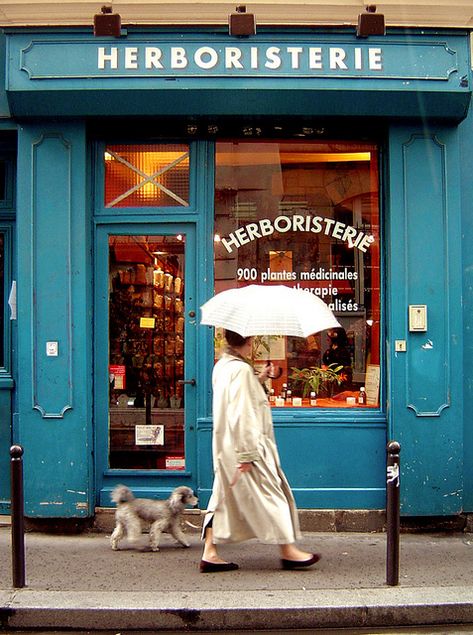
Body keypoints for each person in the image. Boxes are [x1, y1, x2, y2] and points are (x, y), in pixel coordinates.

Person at [200, 329, 321, 573]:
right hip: (247, 446)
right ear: (249, 340)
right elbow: (242, 413)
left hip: (225, 446)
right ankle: (288, 551)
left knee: (222, 497)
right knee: (272, 495)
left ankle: (209, 552)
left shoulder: (223, 366)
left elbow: (235, 399)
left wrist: (261, 378)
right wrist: (247, 455)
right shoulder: (241, 370)